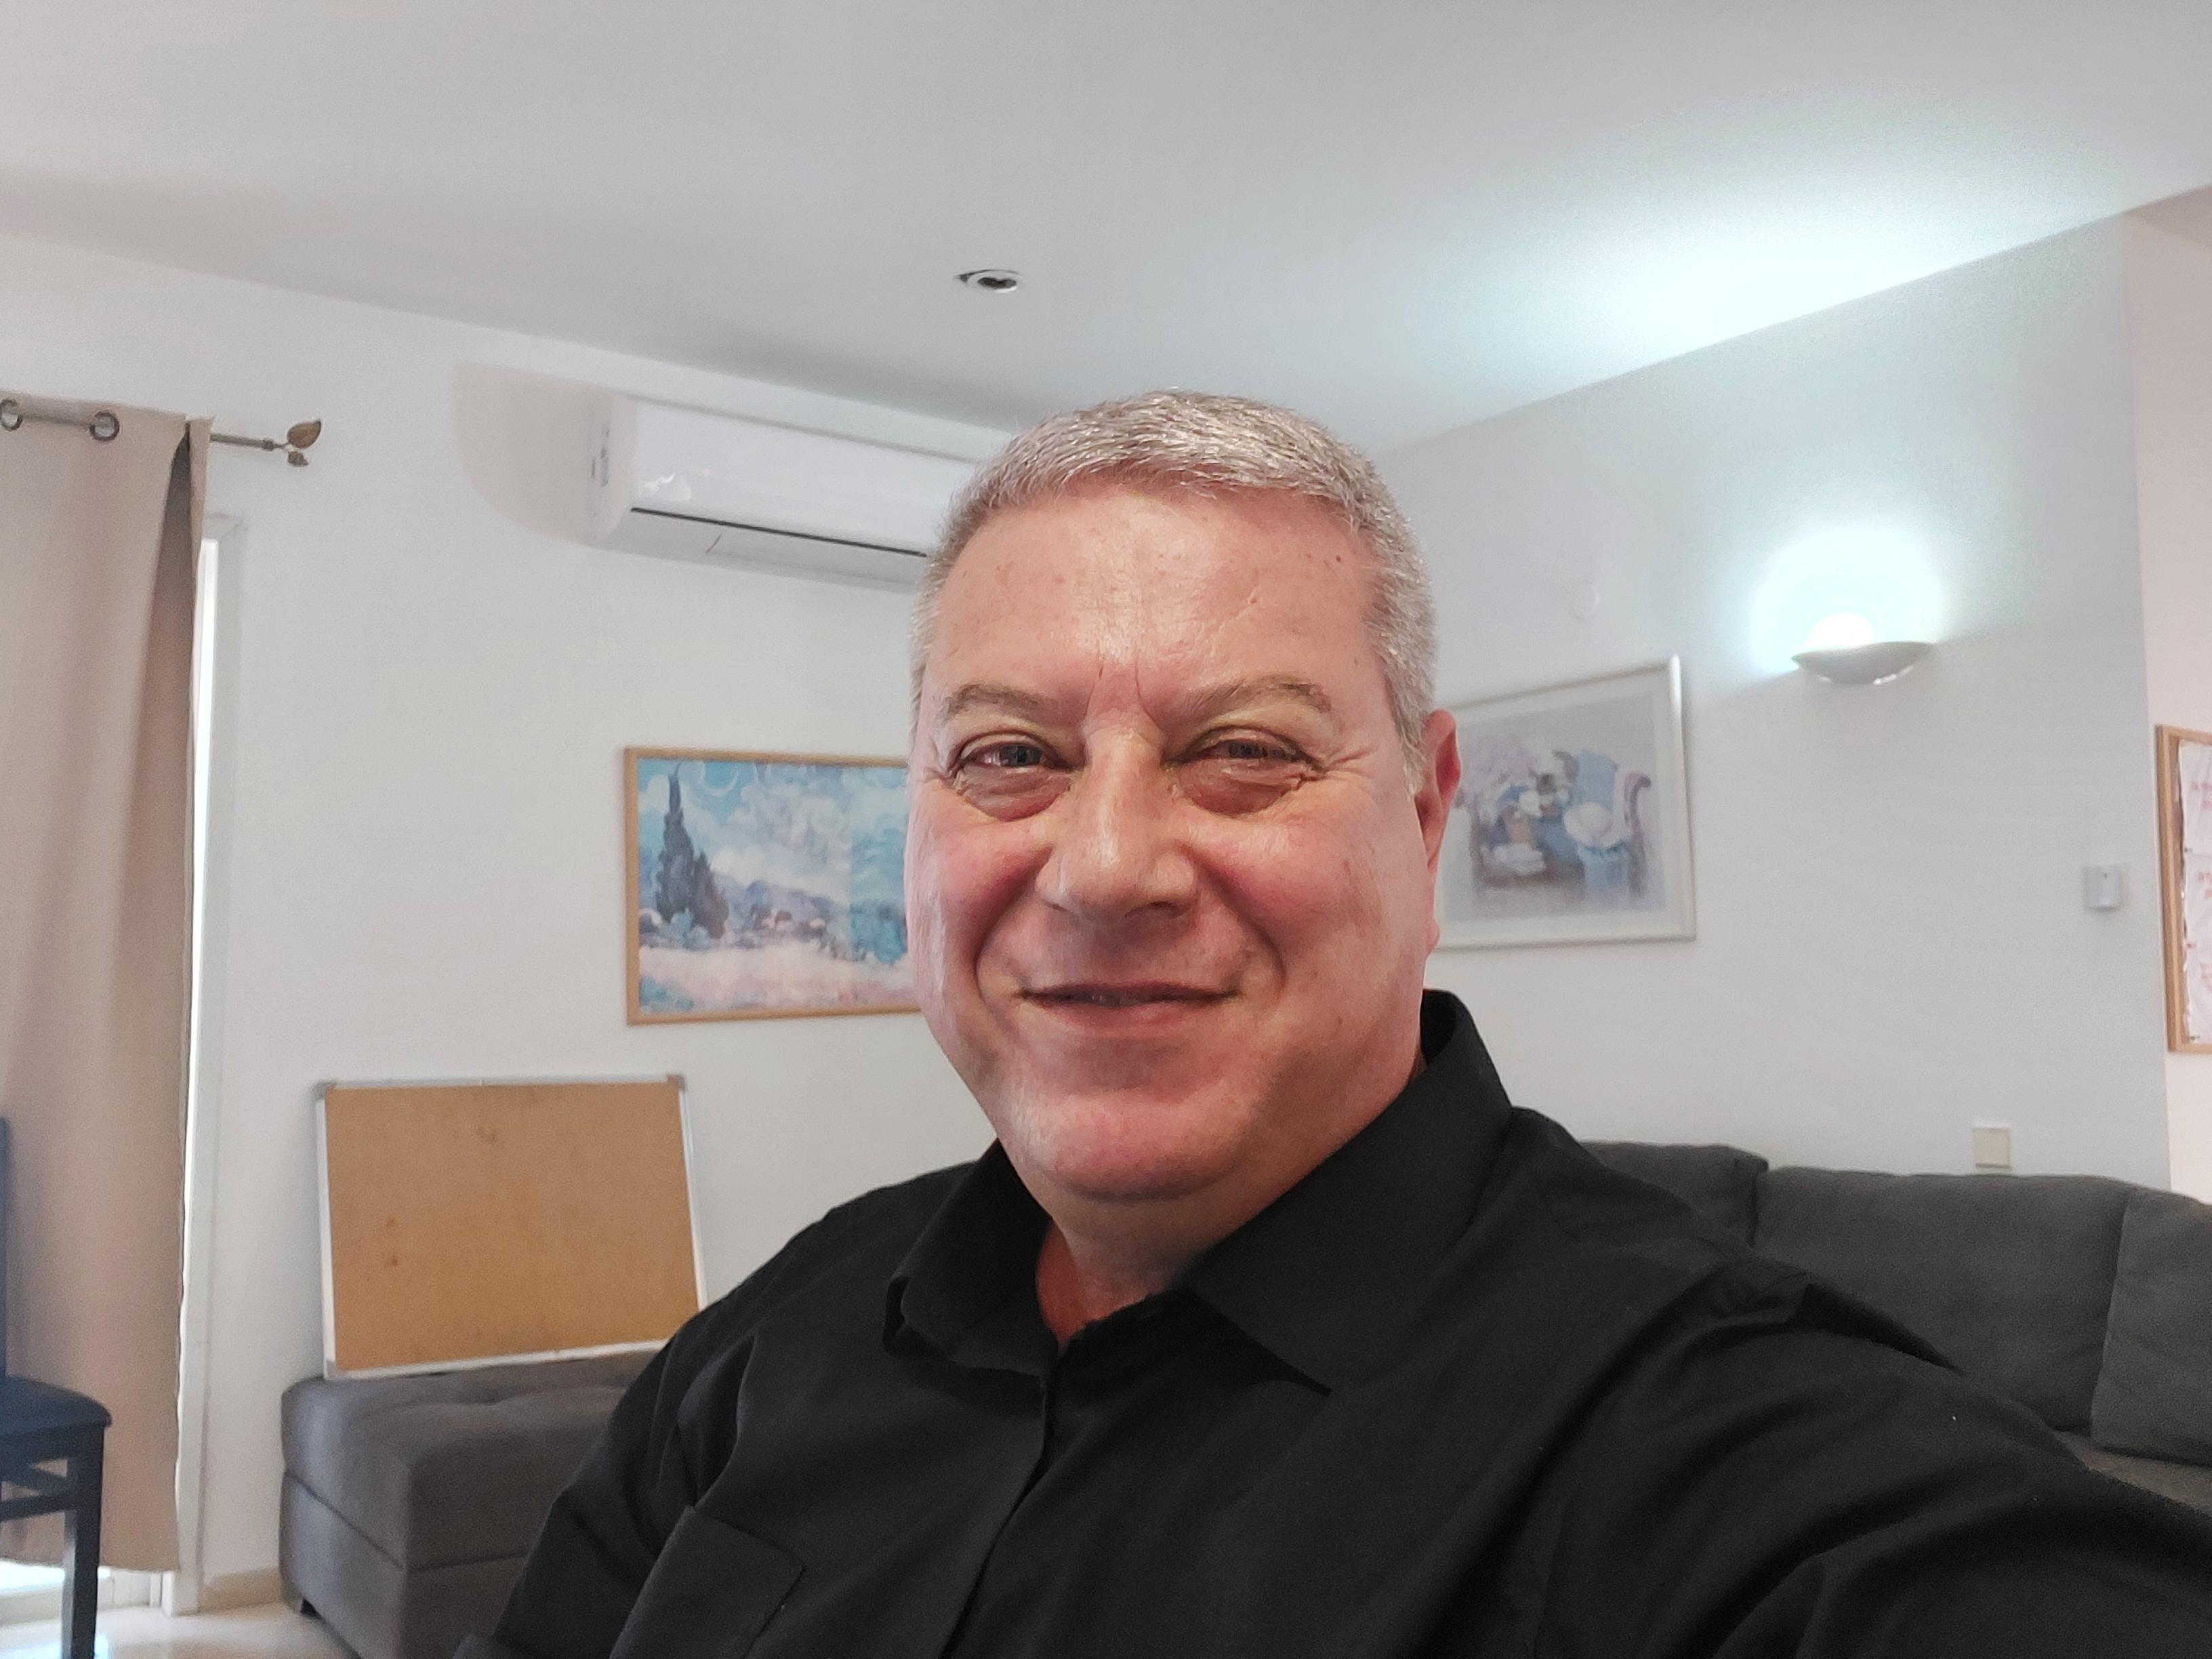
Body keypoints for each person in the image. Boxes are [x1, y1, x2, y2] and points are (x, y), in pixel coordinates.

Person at [464, 393, 2212, 1659]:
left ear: (1429, 815)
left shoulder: (1726, 1456)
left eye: (1246, 750)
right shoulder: (788, 1327)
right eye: (1009, 755)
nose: (1106, 866)